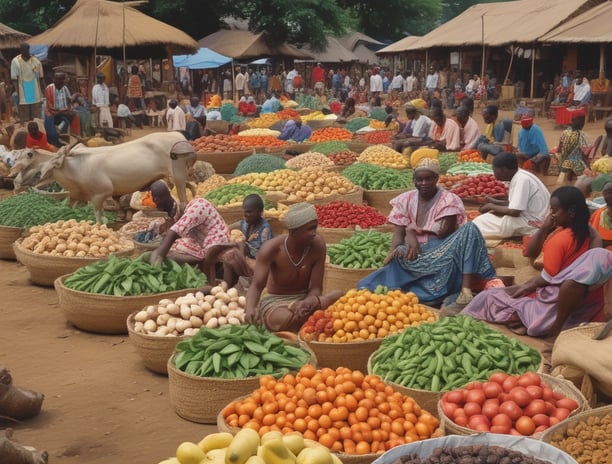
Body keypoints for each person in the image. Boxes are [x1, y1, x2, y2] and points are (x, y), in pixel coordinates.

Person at [462, 186, 611, 337]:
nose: (551, 215)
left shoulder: (561, 239)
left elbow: (547, 276)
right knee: (510, 292)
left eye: (554, 210)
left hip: (553, 298)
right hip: (576, 300)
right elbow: (533, 255)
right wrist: (545, 229)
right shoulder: (587, 232)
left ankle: (525, 319)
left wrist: (527, 286)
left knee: (486, 297)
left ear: (571, 212)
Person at [356, 158, 495, 306]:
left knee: (470, 229)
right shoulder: (405, 199)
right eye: (419, 179)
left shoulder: (449, 199)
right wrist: (393, 252)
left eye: (428, 179)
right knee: (371, 282)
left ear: (436, 178)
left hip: (443, 251)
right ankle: (402, 287)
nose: (423, 183)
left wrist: (411, 231)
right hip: (415, 254)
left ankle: (465, 291)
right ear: (413, 180)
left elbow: (443, 231)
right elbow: (398, 234)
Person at [245, 202, 342, 332]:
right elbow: (257, 286)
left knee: (339, 295)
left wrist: (307, 303)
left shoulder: (318, 245)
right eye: (310, 229)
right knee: (284, 319)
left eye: (315, 228)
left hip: (306, 300)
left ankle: (302, 320)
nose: (314, 233)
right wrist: (250, 308)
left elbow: (316, 288)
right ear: (294, 232)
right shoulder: (272, 248)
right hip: (276, 303)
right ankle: (303, 322)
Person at [149, 178, 230, 284]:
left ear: (160, 198)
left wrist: (159, 258)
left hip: (217, 242)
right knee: (174, 248)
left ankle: (207, 280)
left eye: (156, 198)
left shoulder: (195, 210)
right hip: (204, 240)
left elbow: (172, 233)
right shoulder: (181, 211)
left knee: (170, 255)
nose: (154, 201)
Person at [472, 152, 549, 239]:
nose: (494, 174)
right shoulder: (520, 175)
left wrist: (491, 206)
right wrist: (494, 201)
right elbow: (514, 204)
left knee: (479, 224)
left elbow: (514, 212)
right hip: (533, 216)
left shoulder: (521, 180)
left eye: (495, 170)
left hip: (534, 222)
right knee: (486, 218)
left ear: (503, 170)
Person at [209, 194, 273, 288]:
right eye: (244, 212)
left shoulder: (264, 230)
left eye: (249, 212)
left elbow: (265, 256)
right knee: (227, 253)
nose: (245, 215)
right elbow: (228, 227)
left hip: (259, 264)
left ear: (260, 212)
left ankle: (229, 286)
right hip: (246, 257)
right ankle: (227, 287)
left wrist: (241, 250)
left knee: (231, 255)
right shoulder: (245, 224)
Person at [11, 43, 44, 123]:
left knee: (36, 118)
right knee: (25, 119)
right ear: (21, 50)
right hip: (23, 92)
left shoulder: (36, 61)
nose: (26, 51)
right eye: (23, 50)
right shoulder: (16, 61)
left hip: (35, 92)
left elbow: (41, 78)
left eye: (27, 49)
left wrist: (43, 93)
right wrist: (18, 94)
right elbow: (15, 79)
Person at [44, 72, 79, 147]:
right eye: (58, 80)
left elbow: (69, 100)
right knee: (52, 135)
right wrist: (65, 111)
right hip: (52, 113)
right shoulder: (49, 89)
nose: (60, 82)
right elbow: (51, 108)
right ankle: (54, 142)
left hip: (63, 112)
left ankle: (70, 138)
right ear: (54, 80)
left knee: (75, 116)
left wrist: (75, 95)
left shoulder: (65, 88)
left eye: (62, 80)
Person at [554, 112, 589, 184]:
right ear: (583, 124)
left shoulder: (564, 132)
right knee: (587, 178)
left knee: (560, 182)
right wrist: (588, 164)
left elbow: (559, 148)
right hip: (576, 162)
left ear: (572, 121)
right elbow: (586, 152)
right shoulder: (581, 135)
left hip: (562, 161)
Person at [590, 182, 612, 250]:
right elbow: (592, 236)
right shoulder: (599, 213)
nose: (608, 196)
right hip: (601, 253)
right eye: (605, 193)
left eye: (610, 193)